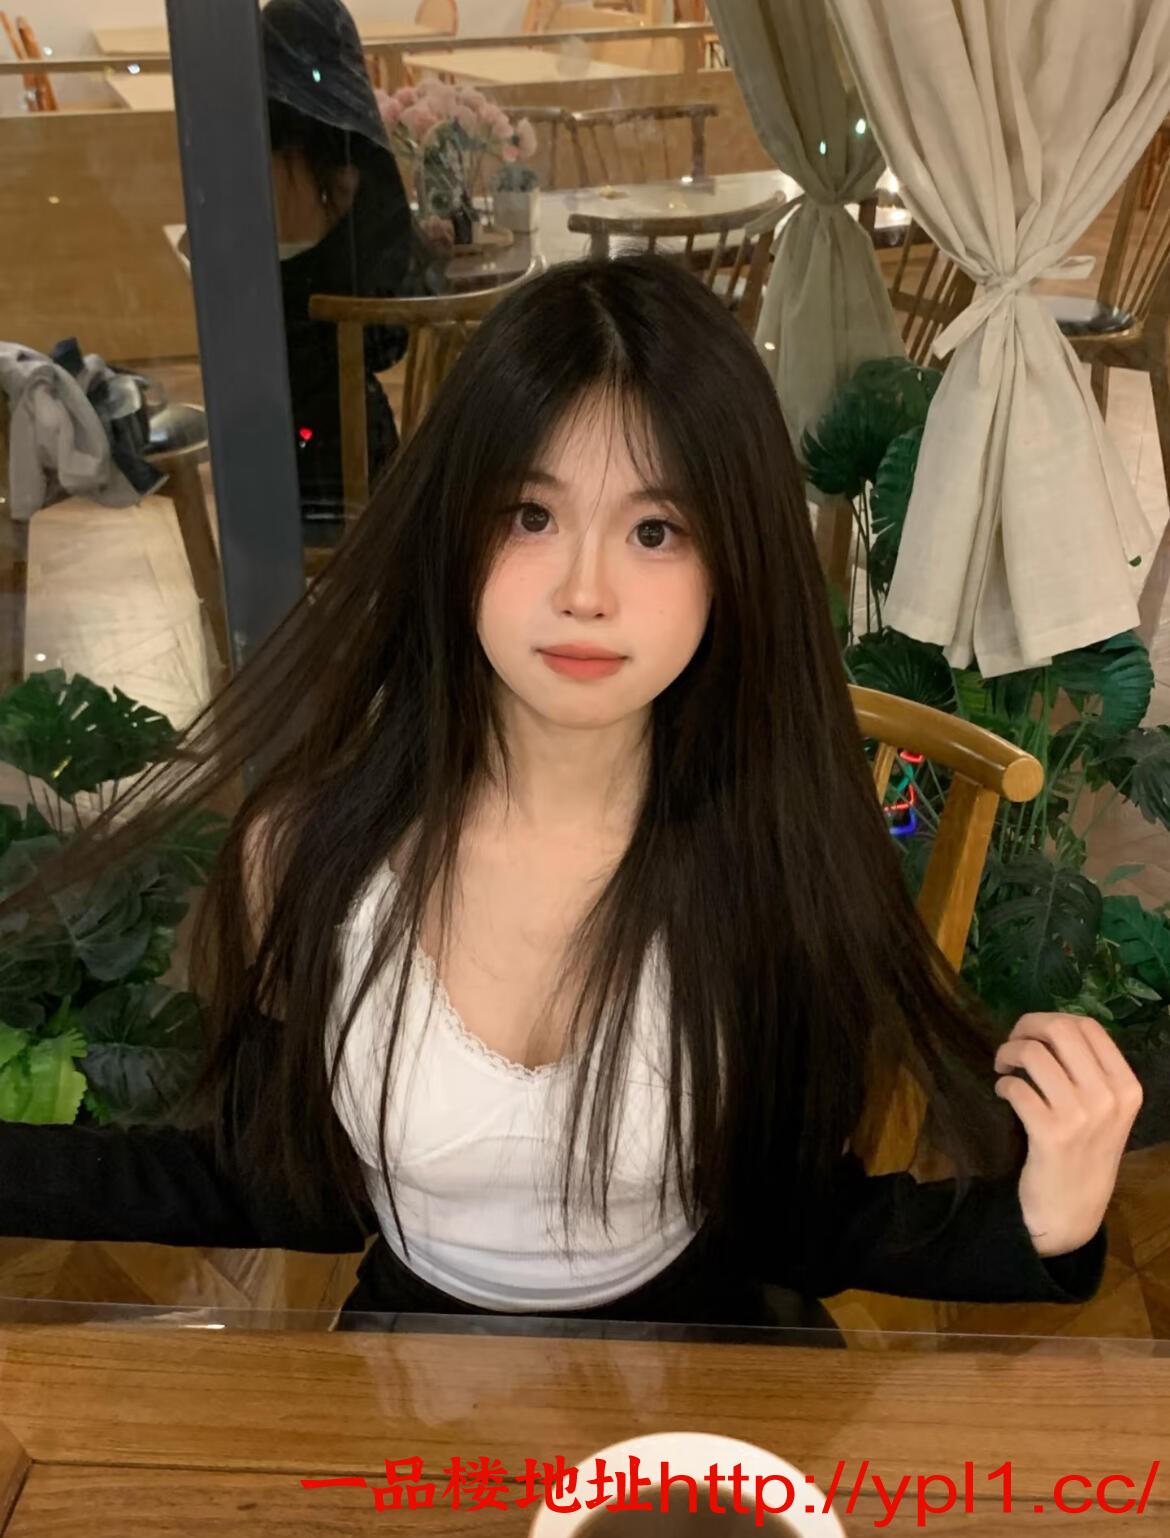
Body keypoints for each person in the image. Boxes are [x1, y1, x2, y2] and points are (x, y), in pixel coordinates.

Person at [0, 257, 1141, 1331]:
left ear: (733, 559)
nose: (585, 592)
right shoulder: (307, 853)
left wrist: (1038, 1225)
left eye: (655, 529)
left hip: (706, 1371)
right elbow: (275, 1184)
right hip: (409, 1375)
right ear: (454, 530)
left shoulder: (776, 857)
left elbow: (798, 1219)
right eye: (530, 516)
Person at [262, 0, 434, 546]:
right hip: (357, 456)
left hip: (265, 444)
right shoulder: (349, 173)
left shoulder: (251, 167)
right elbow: (387, 342)